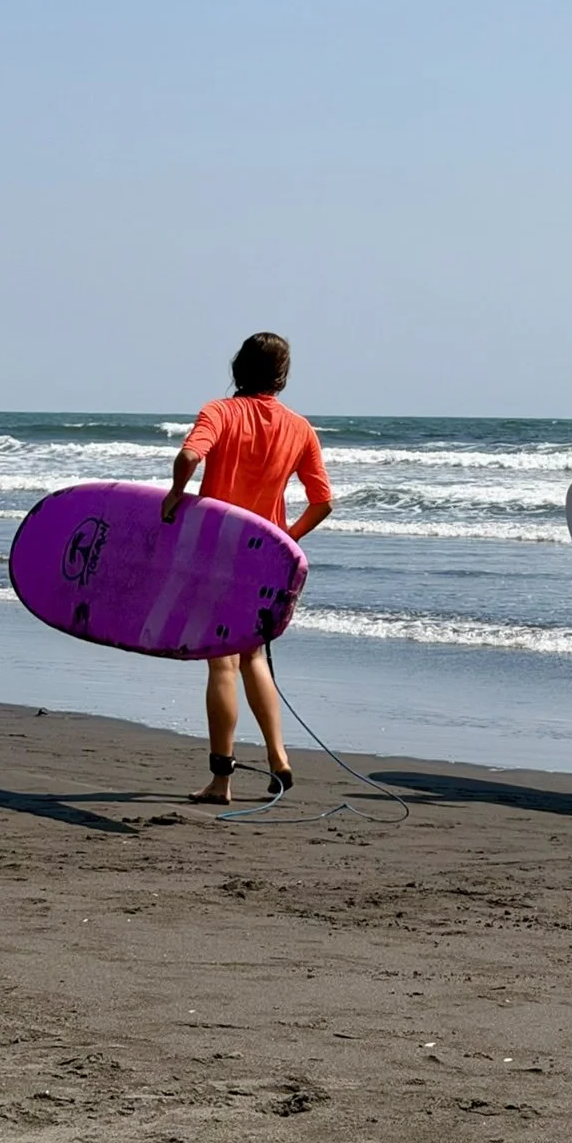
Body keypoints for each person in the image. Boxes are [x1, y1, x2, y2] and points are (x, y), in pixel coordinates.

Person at [162, 332, 333, 805]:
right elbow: (323, 502)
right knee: (253, 658)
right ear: (283, 376)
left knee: (221, 662)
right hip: (263, 558)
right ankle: (279, 759)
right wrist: (286, 539)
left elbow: (190, 455)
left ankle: (221, 780)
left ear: (238, 366)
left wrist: (177, 493)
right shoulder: (300, 428)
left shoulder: (219, 412)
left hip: (216, 549)